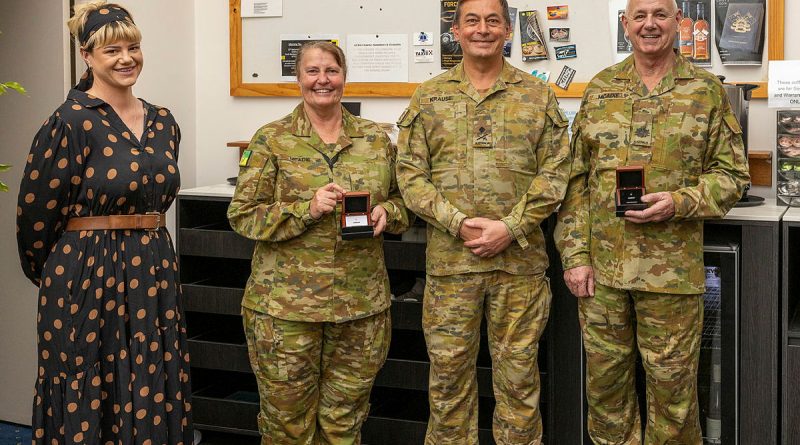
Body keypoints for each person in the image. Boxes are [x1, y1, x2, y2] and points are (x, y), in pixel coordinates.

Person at [554, 0, 750, 443]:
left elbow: (733, 176)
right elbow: (574, 183)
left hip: (672, 277)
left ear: (678, 22)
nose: (649, 24)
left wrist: (680, 201)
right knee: (605, 397)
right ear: (625, 24)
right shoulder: (601, 89)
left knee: (674, 401)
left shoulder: (704, 90)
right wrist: (575, 256)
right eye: (639, 16)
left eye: (660, 14)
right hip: (601, 276)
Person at [15, 2, 193, 444]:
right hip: (86, 274)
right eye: (112, 49)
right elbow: (35, 218)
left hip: (153, 270)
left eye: (133, 47)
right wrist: (65, 274)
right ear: (87, 55)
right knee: (88, 380)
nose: (126, 58)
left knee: (150, 378)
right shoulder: (69, 121)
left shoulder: (164, 121)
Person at [395, 0, 571, 442]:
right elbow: (410, 176)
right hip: (452, 267)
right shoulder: (430, 96)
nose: (482, 29)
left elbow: (556, 175)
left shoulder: (538, 94)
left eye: (493, 20)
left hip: (520, 268)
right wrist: (457, 223)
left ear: (508, 30)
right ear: (456, 30)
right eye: (471, 20)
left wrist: (509, 227)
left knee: (518, 383)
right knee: (449, 381)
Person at [227, 41, 410, 444]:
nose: (322, 80)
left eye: (331, 70)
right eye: (312, 71)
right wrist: (305, 209)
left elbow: (404, 202)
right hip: (286, 310)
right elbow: (242, 215)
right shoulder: (272, 140)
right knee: (287, 427)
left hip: (359, 308)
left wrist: (388, 214)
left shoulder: (376, 140)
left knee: (345, 423)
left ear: (344, 77)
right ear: (298, 79)